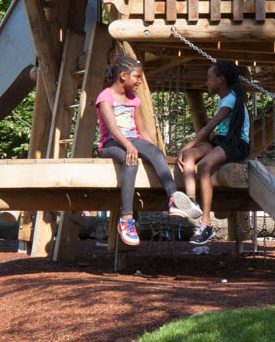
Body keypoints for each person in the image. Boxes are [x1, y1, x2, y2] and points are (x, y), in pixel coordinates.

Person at [94, 55, 201, 248]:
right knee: (131, 161)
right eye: (137, 77)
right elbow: (112, 128)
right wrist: (128, 146)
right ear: (123, 76)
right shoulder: (105, 97)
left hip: (132, 140)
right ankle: (126, 218)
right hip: (111, 142)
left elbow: (141, 129)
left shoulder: (133, 99)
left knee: (155, 153)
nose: (139, 81)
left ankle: (173, 199)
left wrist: (157, 151)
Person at [176, 60, 252, 247]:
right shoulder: (225, 98)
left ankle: (206, 223)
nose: (207, 82)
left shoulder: (231, 100)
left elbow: (207, 129)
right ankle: (192, 201)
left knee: (203, 165)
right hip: (223, 139)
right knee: (189, 157)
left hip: (237, 143)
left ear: (221, 79)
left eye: (209, 78)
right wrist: (186, 151)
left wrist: (185, 146)